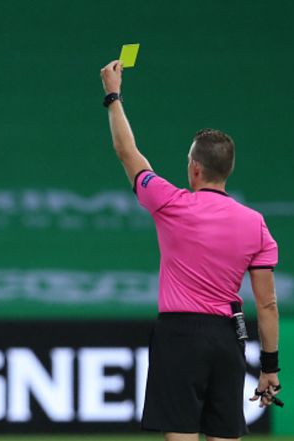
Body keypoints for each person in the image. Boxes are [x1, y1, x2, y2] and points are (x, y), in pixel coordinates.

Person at [100, 60, 282, 441]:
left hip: (180, 336)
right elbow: (267, 305)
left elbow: (126, 152)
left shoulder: (172, 203)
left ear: (195, 168)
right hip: (227, 338)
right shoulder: (255, 224)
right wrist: (270, 367)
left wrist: (113, 96)